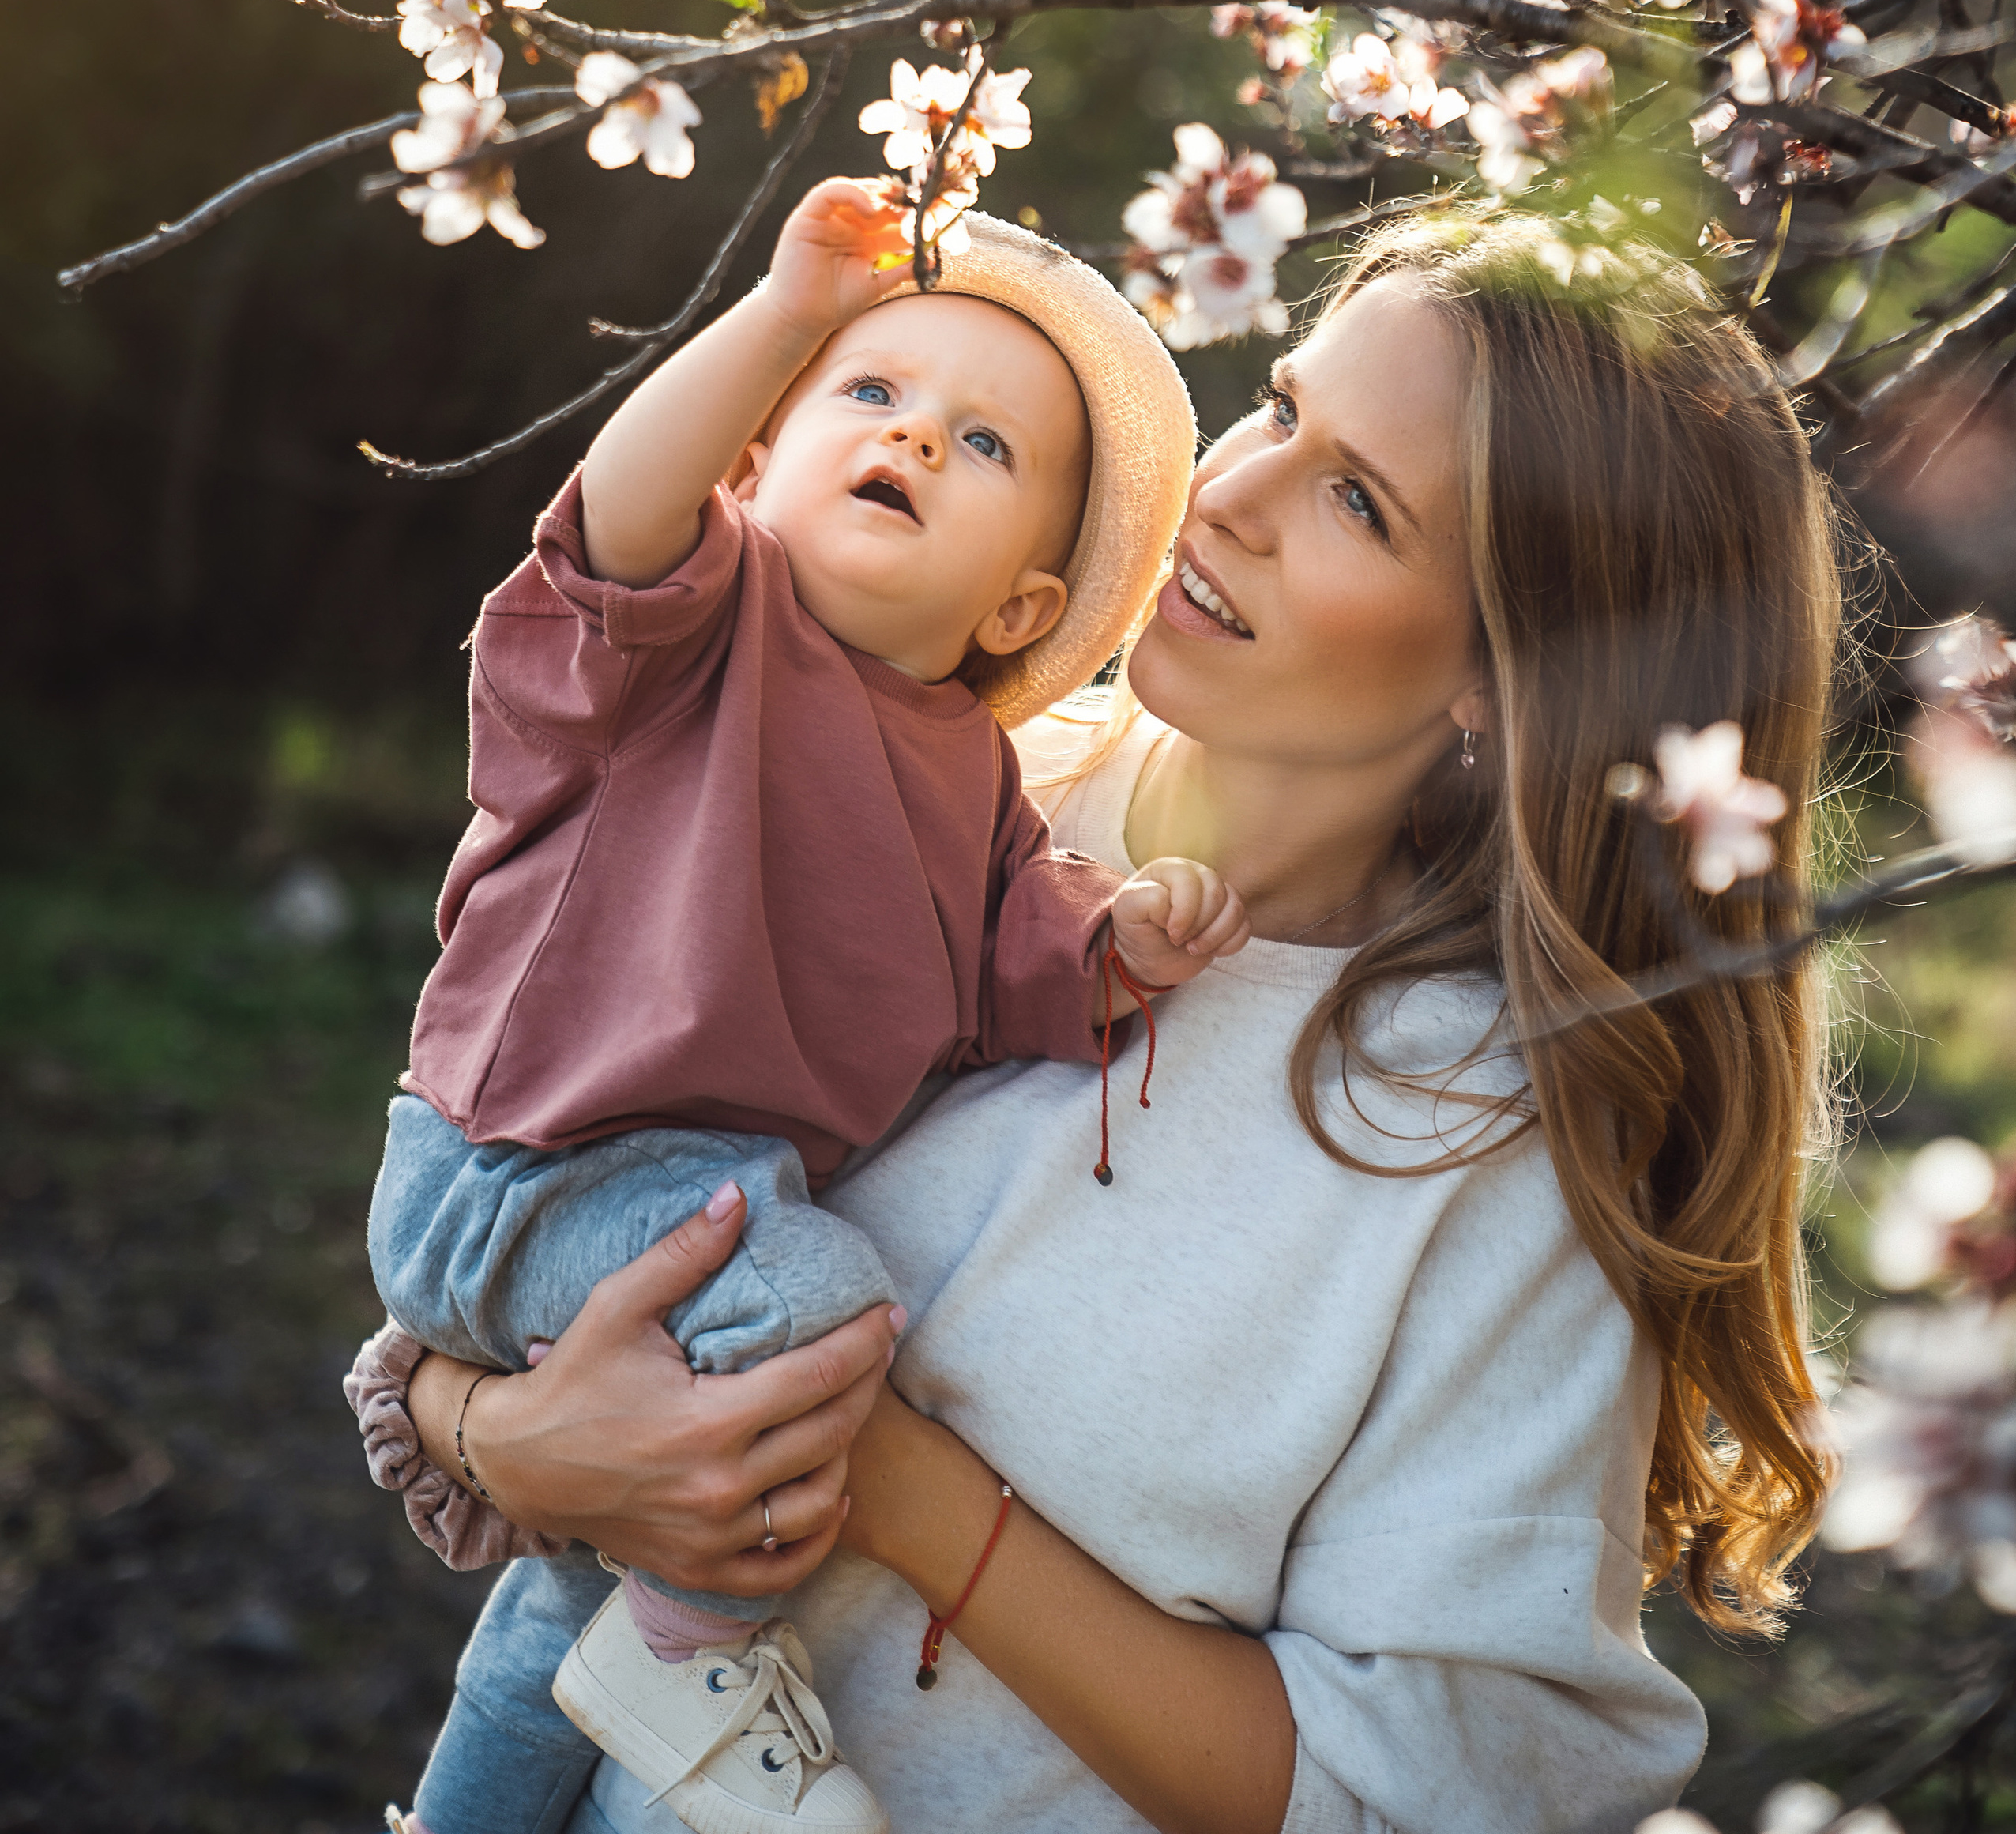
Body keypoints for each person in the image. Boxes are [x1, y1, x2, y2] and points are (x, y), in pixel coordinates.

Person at [353, 209, 1844, 1834]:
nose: (1236, 499)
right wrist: (498, 1437)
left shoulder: (1487, 1150)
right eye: (1279, 409)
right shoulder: (922, 779)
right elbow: (515, 1202)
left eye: (1355, 499)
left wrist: (900, 1490)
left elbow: (1414, 1794)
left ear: (1505, 675)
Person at [356, 181, 1230, 1834]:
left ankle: (499, 1784)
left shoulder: (974, 782)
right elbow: (619, 502)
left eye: (985, 448)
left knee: (636, 1546)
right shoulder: (692, 625)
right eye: (873, 393)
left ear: (1019, 613)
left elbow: (1024, 965)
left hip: (671, 1214)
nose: (915, 437)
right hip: (525, 1161)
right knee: (822, 1321)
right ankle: (697, 1662)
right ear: (753, 468)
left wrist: (1137, 938)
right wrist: (776, 318)